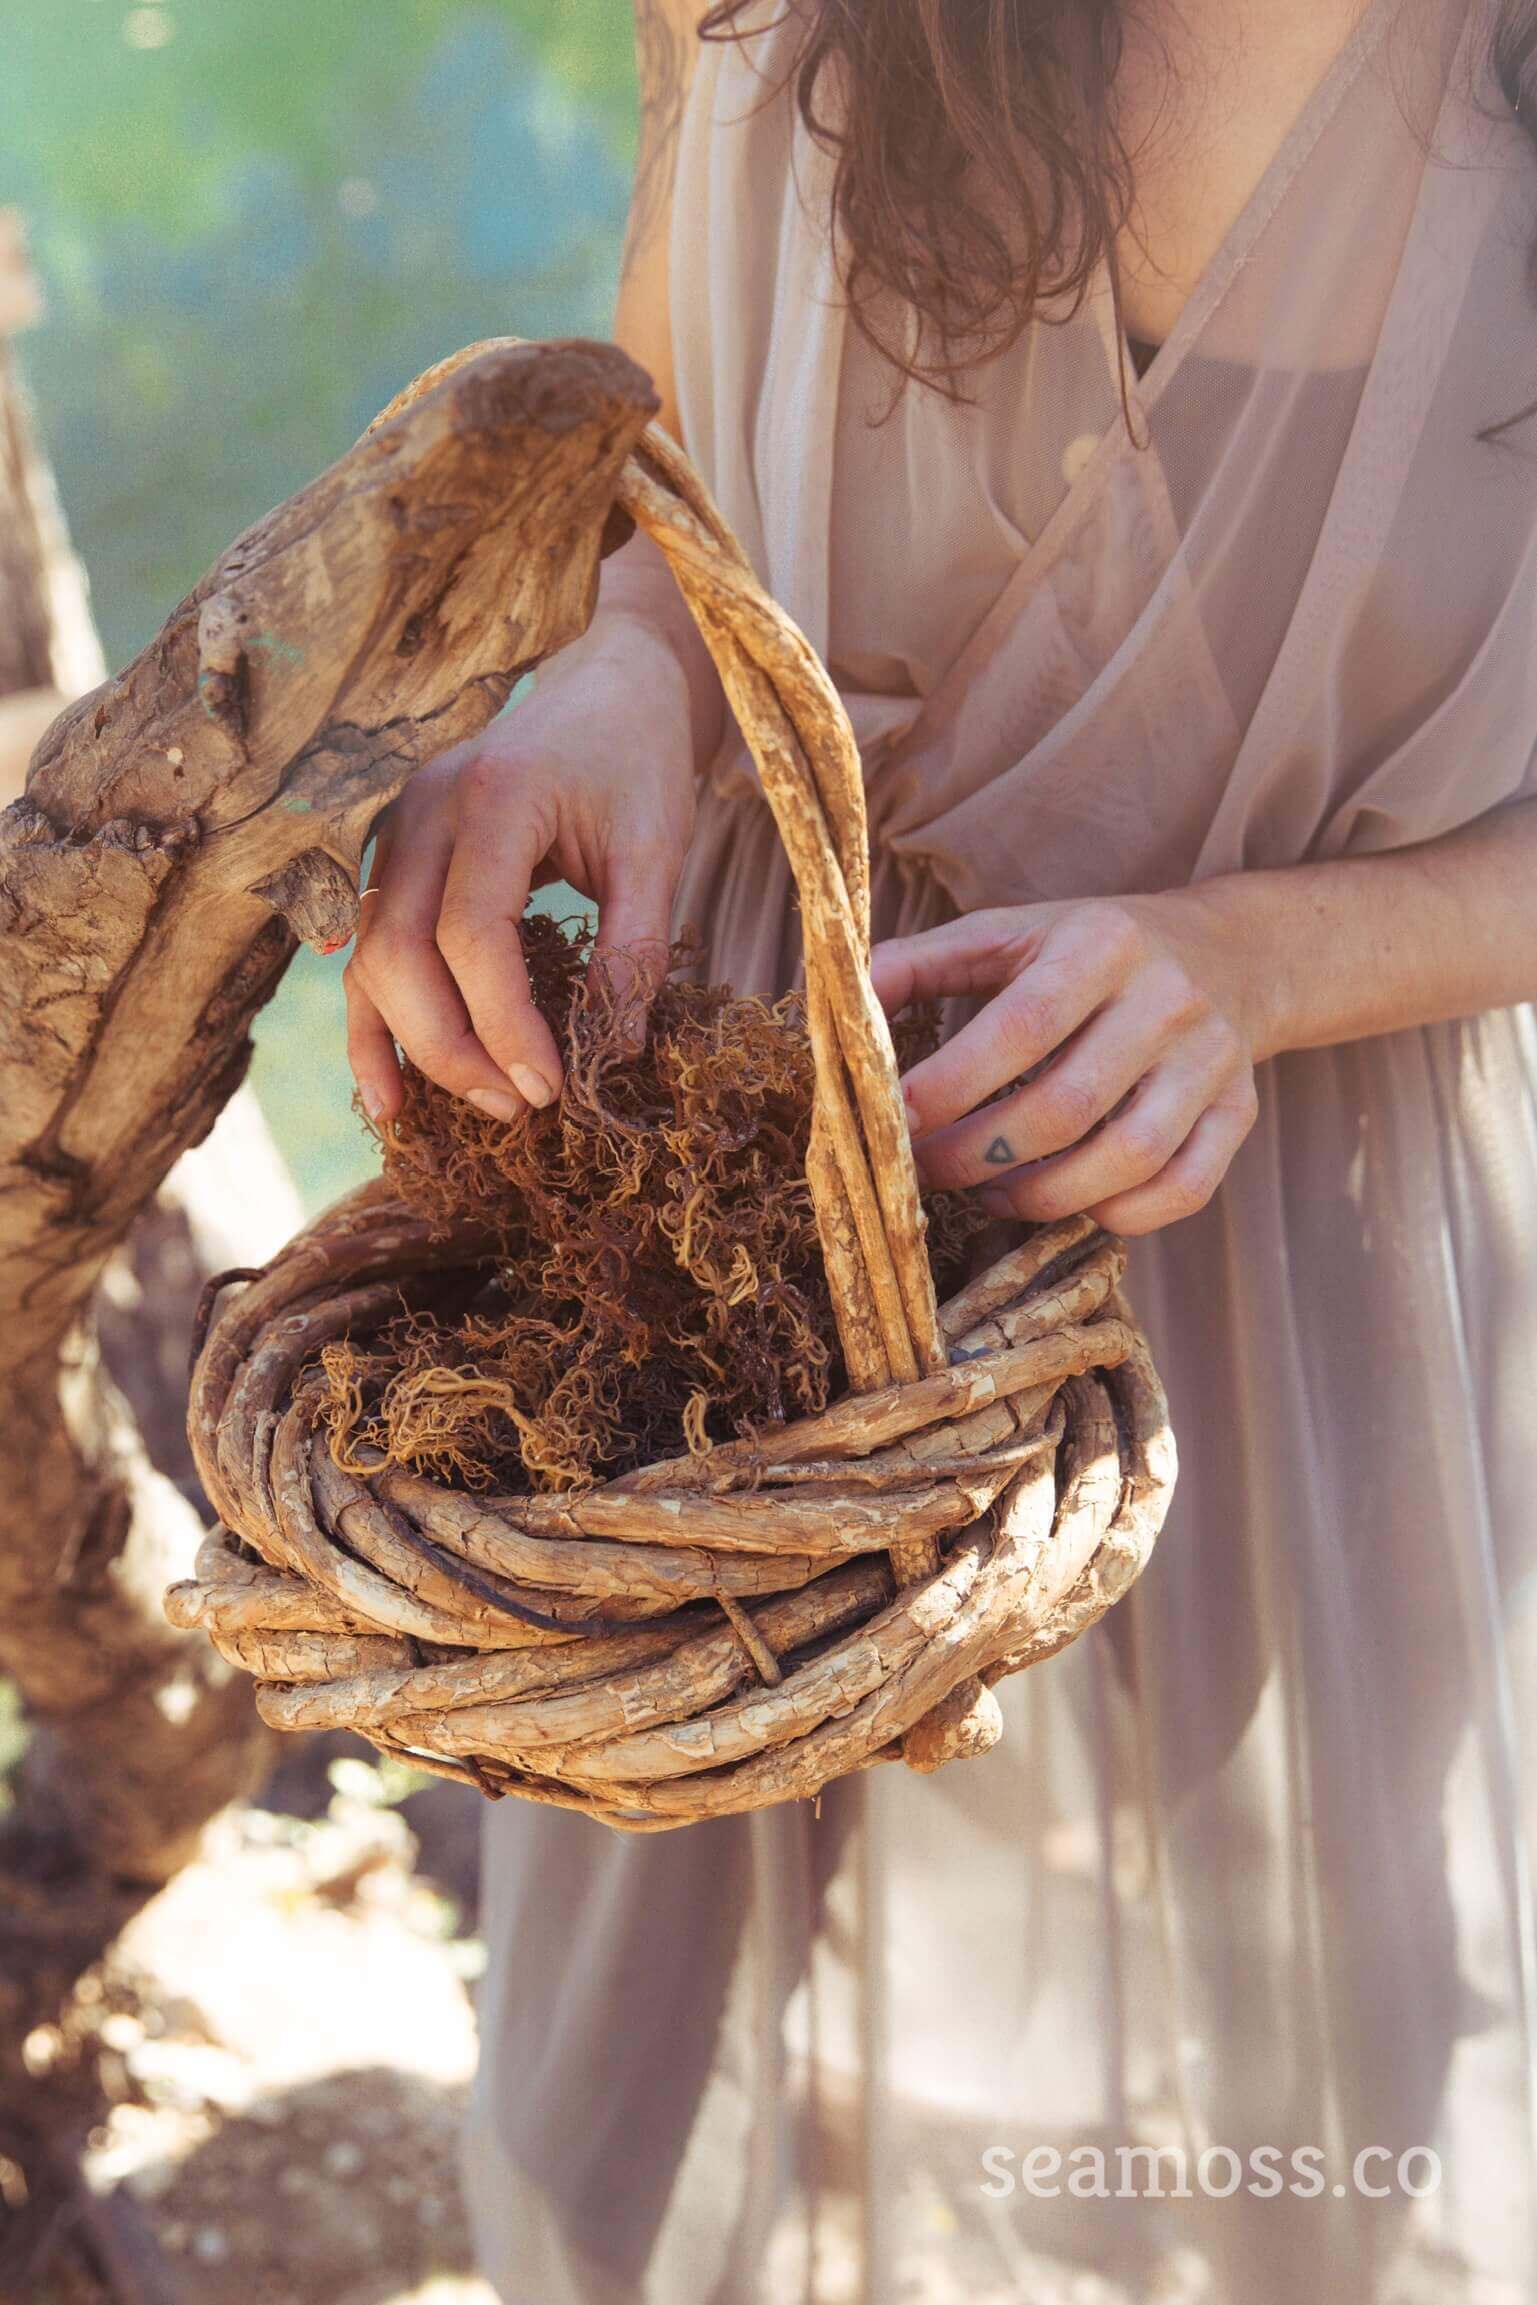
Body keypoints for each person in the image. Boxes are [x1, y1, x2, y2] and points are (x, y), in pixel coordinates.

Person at [345, 0, 1537, 2296]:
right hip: (744, 1274)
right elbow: (658, 458)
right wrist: (614, 667)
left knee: (1324, 2123)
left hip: (1313, 1228)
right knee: (628, 2131)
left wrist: (1262, 965)